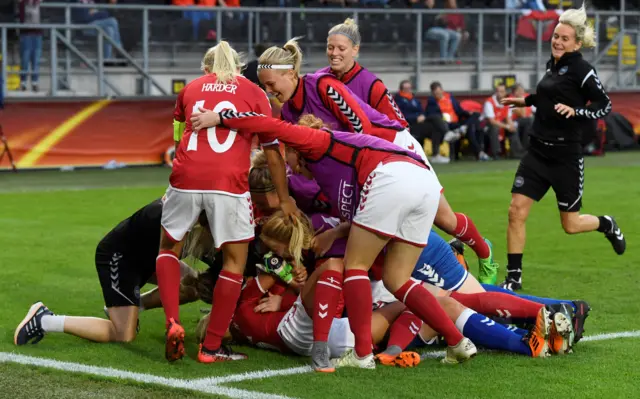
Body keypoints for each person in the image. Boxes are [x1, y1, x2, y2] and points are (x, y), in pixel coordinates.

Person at [194, 110, 480, 369]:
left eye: (289, 159)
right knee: (398, 280)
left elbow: (267, 124)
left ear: (295, 149)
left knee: (353, 266)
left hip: (392, 176)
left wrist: (220, 118)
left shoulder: (313, 141)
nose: (290, 168)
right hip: (422, 180)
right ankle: (458, 343)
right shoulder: (326, 176)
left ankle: (362, 354)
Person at [244, 36, 500, 286]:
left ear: (290, 74)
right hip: (361, 162)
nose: (269, 92)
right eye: (264, 87)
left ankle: (483, 253)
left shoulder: (323, 85)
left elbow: (361, 128)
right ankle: (439, 274)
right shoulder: (289, 112)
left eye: (270, 84)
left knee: (443, 219)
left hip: (389, 148)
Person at [158, 41, 298, 364]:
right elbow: (273, 155)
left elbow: (179, 139)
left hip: (185, 178)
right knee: (234, 263)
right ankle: (211, 347)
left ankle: (172, 322)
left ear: (207, 69)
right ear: (238, 67)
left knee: (167, 249)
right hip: (229, 183)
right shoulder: (254, 94)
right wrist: (285, 199)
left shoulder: (190, 89)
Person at [499, 4, 624, 291]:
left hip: (565, 157)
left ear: (577, 43)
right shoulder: (552, 63)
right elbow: (548, 95)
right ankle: (513, 278)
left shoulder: (582, 69)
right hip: (537, 152)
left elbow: (605, 105)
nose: (558, 41)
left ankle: (606, 223)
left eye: (565, 38)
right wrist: (527, 101)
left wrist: (577, 111)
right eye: (556, 36)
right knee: (516, 211)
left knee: (570, 225)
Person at [14, 199, 202, 346]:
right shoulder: (180, 212)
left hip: (150, 257)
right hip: (120, 259)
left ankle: (132, 307)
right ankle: (44, 320)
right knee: (123, 335)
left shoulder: (192, 206)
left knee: (193, 286)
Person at [317, 18, 408, 128]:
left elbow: (402, 127)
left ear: (355, 50)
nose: (334, 53)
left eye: (341, 48)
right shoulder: (317, 78)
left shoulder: (372, 85)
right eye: (330, 48)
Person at [394, 80, 458, 164]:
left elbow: (422, 111)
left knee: (435, 126)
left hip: (421, 123)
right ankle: (447, 133)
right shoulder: (398, 101)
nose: (408, 90)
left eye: (409, 88)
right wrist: (416, 118)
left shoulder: (414, 100)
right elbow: (400, 115)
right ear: (401, 89)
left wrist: (422, 116)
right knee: (435, 118)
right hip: (410, 125)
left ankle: (436, 155)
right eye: (406, 88)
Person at [426, 81, 490, 161]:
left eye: (439, 92)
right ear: (433, 93)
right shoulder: (432, 102)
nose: (438, 95)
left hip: (457, 122)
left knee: (475, 116)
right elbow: (431, 115)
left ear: (442, 90)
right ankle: (479, 152)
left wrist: (468, 113)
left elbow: (459, 110)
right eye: (436, 94)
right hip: (446, 124)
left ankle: (464, 128)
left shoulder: (450, 97)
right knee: (469, 128)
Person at [483, 83, 525, 159]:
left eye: (502, 91)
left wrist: (511, 126)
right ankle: (496, 153)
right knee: (494, 127)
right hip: (487, 127)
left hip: (502, 125)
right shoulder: (489, 102)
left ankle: (517, 153)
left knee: (513, 129)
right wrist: (507, 126)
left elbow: (508, 117)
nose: (499, 94)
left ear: (505, 92)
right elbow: (492, 121)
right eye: (498, 91)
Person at [18, 0, 43, 92]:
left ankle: (35, 83)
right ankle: (23, 83)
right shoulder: (22, 3)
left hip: (37, 34)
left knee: (36, 60)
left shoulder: (38, 3)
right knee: (25, 59)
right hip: (26, 34)